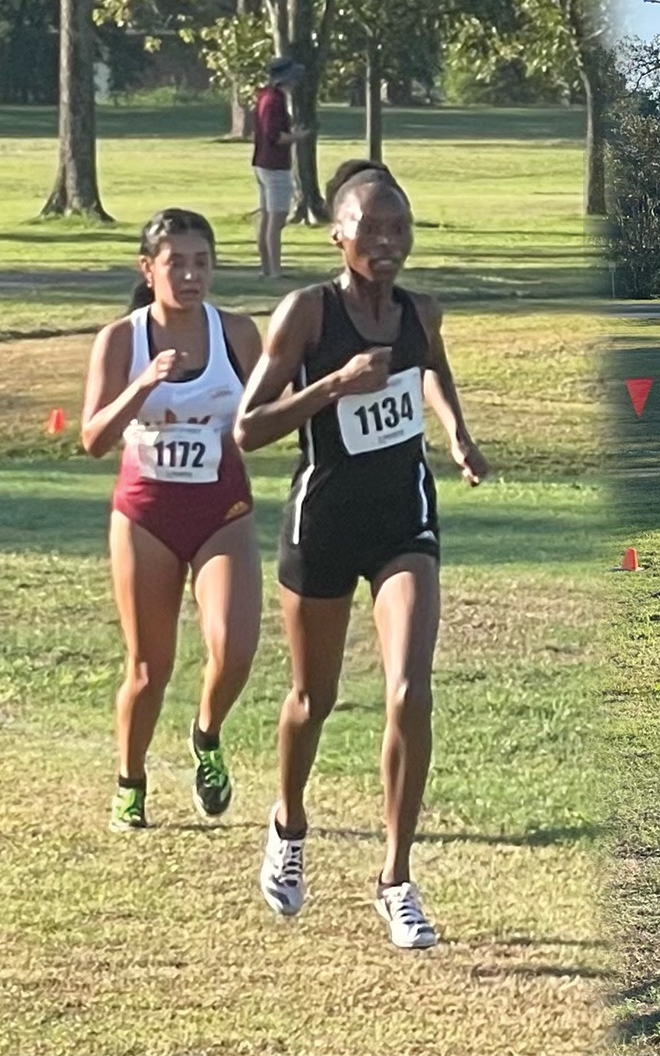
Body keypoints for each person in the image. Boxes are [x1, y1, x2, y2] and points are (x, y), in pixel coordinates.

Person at [235, 159, 488, 949]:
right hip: (323, 522)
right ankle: (289, 822)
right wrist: (333, 385)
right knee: (313, 697)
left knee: (411, 690)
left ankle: (396, 878)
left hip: (403, 520)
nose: (386, 241)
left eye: (398, 227)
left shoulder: (419, 312)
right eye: (370, 228)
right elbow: (249, 428)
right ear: (338, 234)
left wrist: (455, 433)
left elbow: (432, 372)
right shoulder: (306, 314)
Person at [80, 209, 265, 832]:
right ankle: (131, 782)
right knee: (148, 668)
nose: (190, 275)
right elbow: (93, 439)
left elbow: (263, 421)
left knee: (235, 648)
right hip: (145, 516)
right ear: (148, 268)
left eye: (202, 262)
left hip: (222, 511)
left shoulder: (238, 334)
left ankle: (206, 735)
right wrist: (142, 386)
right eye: (176, 263)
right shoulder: (121, 339)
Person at [252, 57, 311, 279]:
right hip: (275, 165)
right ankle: (274, 270)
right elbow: (276, 136)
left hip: (262, 162)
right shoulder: (274, 100)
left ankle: (266, 268)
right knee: (276, 219)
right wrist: (298, 136)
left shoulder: (264, 97)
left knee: (267, 216)